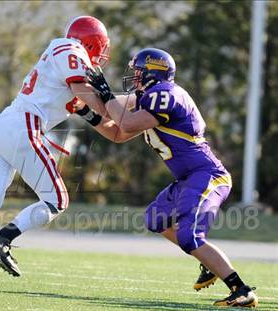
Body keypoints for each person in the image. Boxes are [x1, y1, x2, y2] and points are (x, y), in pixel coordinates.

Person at [0, 16, 137, 291]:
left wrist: (135, 116)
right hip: (24, 127)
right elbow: (98, 101)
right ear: (92, 43)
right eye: (101, 47)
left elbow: (106, 124)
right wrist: (123, 101)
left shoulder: (61, 66)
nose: (102, 55)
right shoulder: (71, 51)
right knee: (57, 199)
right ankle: (2, 238)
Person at [85, 48, 258, 308]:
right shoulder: (149, 96)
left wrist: (105, 95)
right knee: (155, 219)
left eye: (139, 72)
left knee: (190, 237)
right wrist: (84, 107)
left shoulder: (165, 94)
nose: (135, 77)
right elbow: (116, 128)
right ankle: (208, 261)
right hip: (189, 178)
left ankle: (241, 289)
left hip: (207, 174)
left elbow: (127, 123)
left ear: (154, 72)